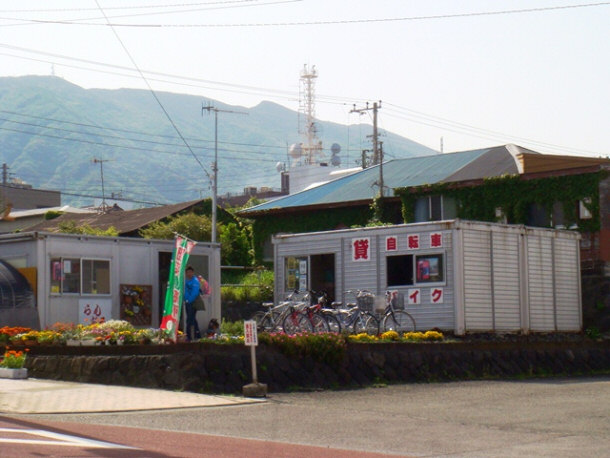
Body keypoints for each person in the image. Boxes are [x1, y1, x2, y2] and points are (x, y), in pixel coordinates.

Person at [183, 266, 201, 340]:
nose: (189, 274)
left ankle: (188, 336)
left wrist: (188, 300)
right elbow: (185, 292)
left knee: (189, 319)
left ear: (193, 273)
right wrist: (186, 299)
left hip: (194, 303)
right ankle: (197, 335)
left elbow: (195, 292)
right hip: (188, 302)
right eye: (187, 272)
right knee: (192, 319)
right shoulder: (185, 281)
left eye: (190, 272)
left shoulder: (195, 281)